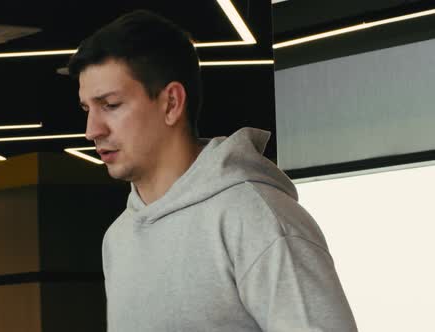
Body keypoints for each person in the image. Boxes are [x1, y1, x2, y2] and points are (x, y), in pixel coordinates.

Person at [68, 10, 357, 332]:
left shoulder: (256, 218)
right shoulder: (118, 238)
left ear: (171, 103)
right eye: (86, 109)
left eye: (110, 104)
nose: (92, 129)